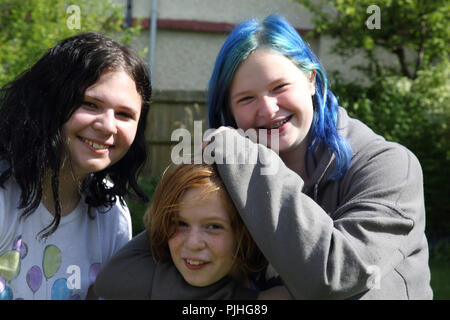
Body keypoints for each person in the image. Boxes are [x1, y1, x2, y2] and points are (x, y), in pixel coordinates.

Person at [95, 14, 433, 299]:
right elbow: (122, 275)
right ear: (228, 110)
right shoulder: (228, 172)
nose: (267, 109)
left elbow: (335, 275)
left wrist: (235, 151)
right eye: (246, 99)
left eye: (280, 87)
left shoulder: (389, 166)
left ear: (311, 79)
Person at [0, 32, 151, 300]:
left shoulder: (111, 214)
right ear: (50, 101)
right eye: (90, 104)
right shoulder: (4, 193)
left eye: (125, 115)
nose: (107, 126)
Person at [94, 162, 272, 299]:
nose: (193, 243)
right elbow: (108, 280)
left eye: (213, 226)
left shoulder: (281, 283)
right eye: (180, 223)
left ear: (246, 230)